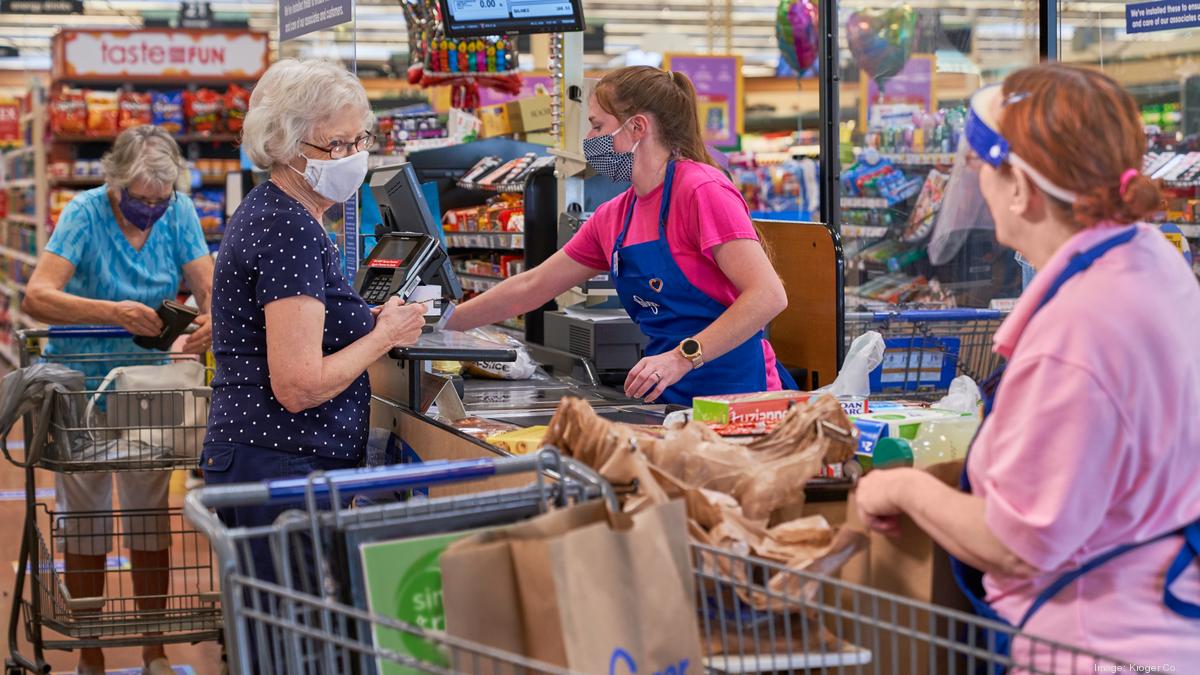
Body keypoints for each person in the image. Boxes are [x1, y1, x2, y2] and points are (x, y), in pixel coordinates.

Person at [854, 64, 1200, 670]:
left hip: (1093, 645)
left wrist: (900, 484)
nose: (980, 190)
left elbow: (1016, 542)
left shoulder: (1078, 330)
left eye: (985, 171)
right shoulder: (1150, 258)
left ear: (1021, 189)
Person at [446, 66, 794, 404]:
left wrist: (682, 358)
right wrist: (439, 322)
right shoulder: (614, 215)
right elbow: (530, 286)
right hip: (665, 397)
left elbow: (768, 296)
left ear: (638, 127)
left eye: (597, 126)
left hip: (739, 394)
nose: (589, 140)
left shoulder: (702, 190)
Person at [200, 58, 426, 532]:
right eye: (335, 145)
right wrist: (384, 334)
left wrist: (361, 316)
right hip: (283, 463)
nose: (351, 156)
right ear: (284, 146)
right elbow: (299, 386)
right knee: (291, 606)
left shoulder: (278, 211)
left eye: (359, 140)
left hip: (271, 459)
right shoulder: (288, 227)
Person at [22, 125, 214, 675]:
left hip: (145, 385)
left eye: (160, 199)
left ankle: (154, 648)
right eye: (138, 199)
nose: (149, 210)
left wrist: (210, 321)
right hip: (80, 385)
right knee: (85, 521)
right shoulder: (83, 212)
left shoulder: (178, 213)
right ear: (114, 184)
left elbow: (210, 287)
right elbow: (38, 295)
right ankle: (91, 652)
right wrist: (114, 312)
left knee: (149, 516)